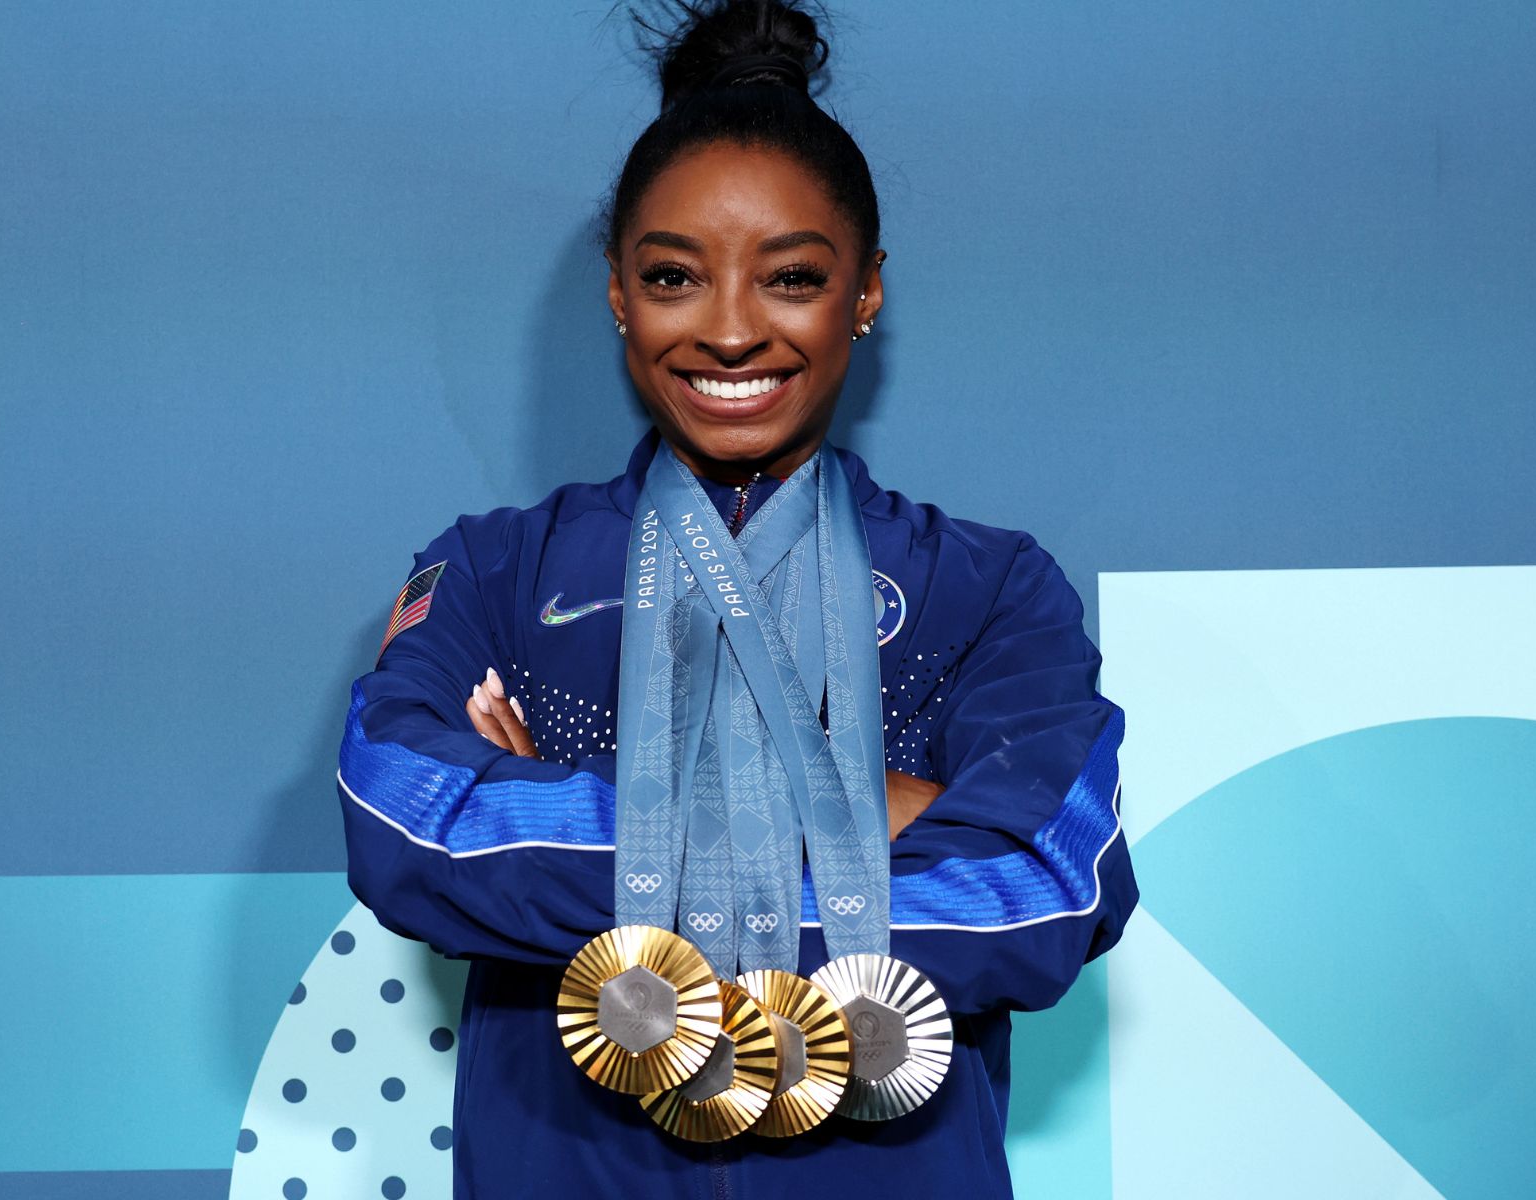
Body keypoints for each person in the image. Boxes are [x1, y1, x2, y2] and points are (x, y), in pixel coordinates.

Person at [336, 2, 1137, 1195]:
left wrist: (565, 824)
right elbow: (404, 819)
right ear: (618, 293)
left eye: (791, 278)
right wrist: (880, 808)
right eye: (672, 276)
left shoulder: (987, 584)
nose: (726, 330)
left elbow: (1041, 889)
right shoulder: (500, 568)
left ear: (864, 292)